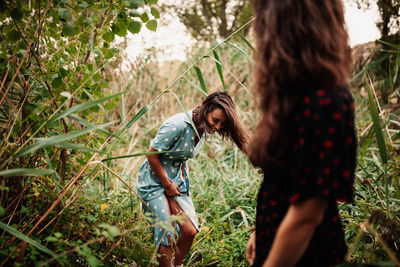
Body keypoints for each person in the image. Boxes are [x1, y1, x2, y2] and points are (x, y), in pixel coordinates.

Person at [246, 0, 356, 266]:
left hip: (306, 256)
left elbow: (307, 216)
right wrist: (259, 233)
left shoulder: (325, 101)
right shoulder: (292, 96)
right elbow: (284, 184)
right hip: (278, 246)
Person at [136, 91, 249, 267]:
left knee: (189, 231)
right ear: (206, 109)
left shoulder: (203, 129)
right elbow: (151, 155)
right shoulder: (178, 124)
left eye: (222, 124)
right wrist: (166, 184)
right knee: (166, 233)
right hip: (153, 182)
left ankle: (176, 264)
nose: (218, 127)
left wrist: (178, 179)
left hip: (175, 182)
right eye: (216, 120)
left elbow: (181, 156)